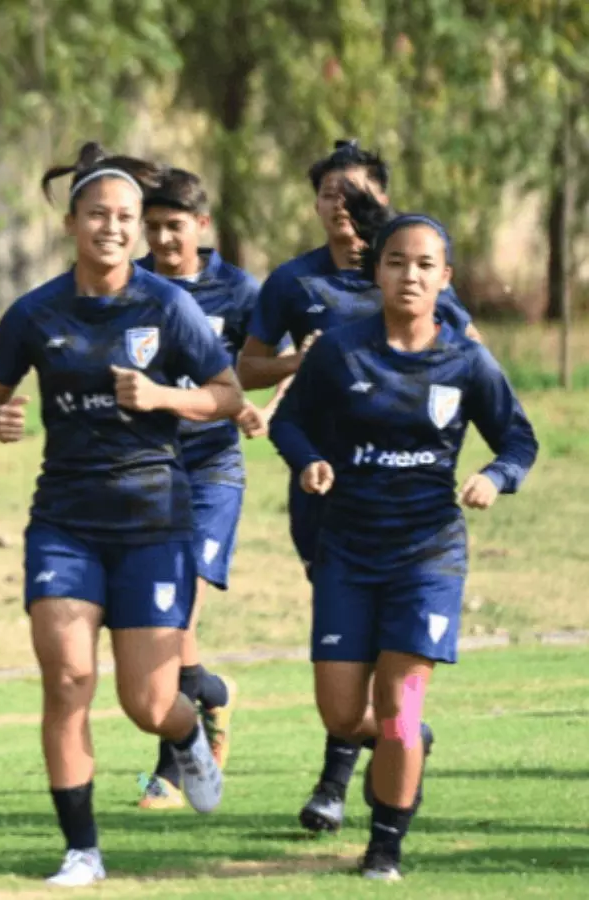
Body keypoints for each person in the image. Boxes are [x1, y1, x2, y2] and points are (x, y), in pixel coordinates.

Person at [0, 142, 238, 888]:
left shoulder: (168, 306)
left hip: (153, 521)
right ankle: (82, 850)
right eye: (98, 215)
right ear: (71, 223)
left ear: (139, 226)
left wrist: (162, 397)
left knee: (148, 703)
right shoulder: (36, 311)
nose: (112, 228)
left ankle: (188, 735)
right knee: (67, 680)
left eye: (125, 217)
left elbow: (227, 395)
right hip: (65, 521)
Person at [269, 199, 537, 880]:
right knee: (341, 713)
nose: (409, 276)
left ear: (445, 277)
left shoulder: (467, 361)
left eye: (424, 265)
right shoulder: (341, 350)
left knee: (400, 703)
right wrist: (309, 460)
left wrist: (495, 476)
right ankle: (405, 747)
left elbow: (518, 439)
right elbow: (288, 422)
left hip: (427, 556)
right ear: (377, 274)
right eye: (395, 262)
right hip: (347, 551)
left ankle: (384, 849)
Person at [237, 141, 479, 834]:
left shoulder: (413, 271)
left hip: (404, 497)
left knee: (383, 639)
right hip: (323, 487)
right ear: (315, 205)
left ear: (382, 199)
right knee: (347, 642)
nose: (341, 207)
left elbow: (471, 357)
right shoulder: (293, 282)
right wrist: (297, 361)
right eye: (328, 195)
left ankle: (336, 783)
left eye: (356, 195)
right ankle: (397, 737)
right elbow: (246, 369)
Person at [132, 168, 275, 809]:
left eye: (174, 226)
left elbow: (266, 363)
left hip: (213, 468)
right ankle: (213, 695)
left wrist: (253, 404)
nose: (163, 239)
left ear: (202, 225)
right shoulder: (130, 285)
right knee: (160, 621)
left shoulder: (239, 291)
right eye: (153, 227)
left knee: (175, 616)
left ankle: (169, 771)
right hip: (147, 470)